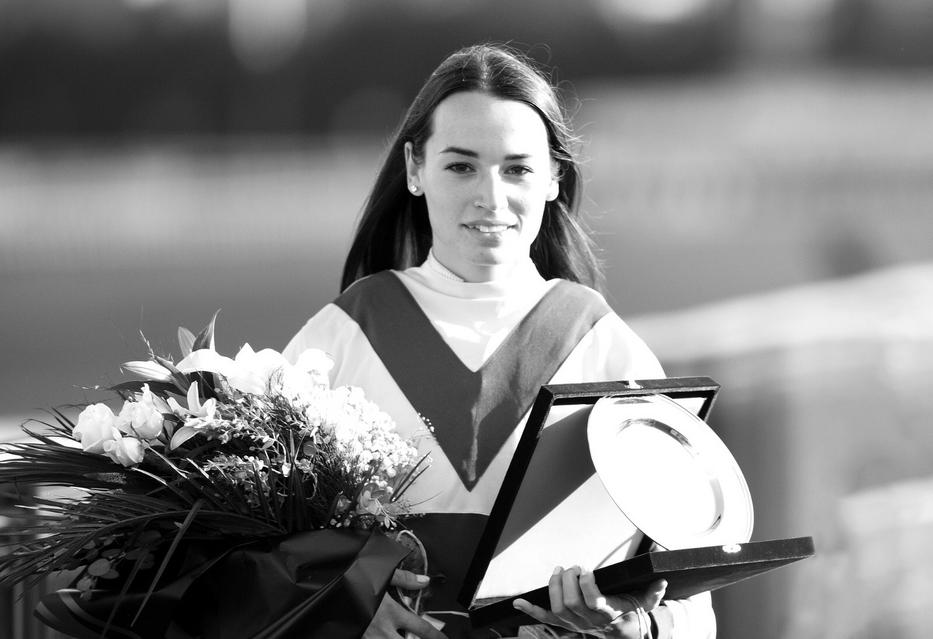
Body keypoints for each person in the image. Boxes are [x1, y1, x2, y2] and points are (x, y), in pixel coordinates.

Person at [284, 43, 716, 639]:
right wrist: (342, 605)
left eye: (517, 168)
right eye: (461, 166)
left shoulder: (607, 348)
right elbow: (245, 560)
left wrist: (629, 628)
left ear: (554, 177)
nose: (491, 197)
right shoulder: (339, 336)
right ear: (415, 169)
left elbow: (692, 601)